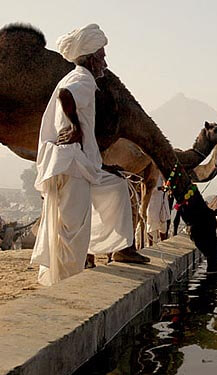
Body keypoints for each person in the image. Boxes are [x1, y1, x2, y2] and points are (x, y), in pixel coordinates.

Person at [31, 24, 147, 286]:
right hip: (70, 166)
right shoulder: (81, 79)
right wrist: (74, 126)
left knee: (116, 185)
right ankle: (67, 283)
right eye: (102, 56)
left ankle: (120, 247)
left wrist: (105, 168)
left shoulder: (79, 78)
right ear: (92, 57)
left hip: (79, 163)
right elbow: (65, 96)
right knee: (73, 230)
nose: (105, 61)